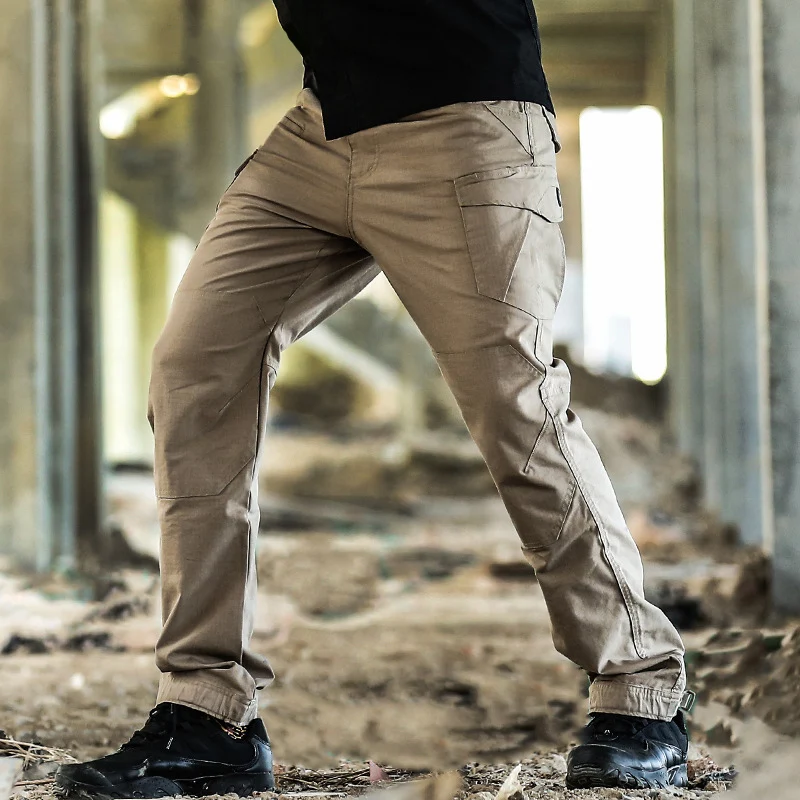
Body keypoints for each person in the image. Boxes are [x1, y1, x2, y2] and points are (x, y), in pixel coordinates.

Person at [56, 0, 693, 795]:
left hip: (464, 119)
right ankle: (208, 715)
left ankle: (642, 690)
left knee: (513, 403)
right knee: (195, 370)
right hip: (320, 128)